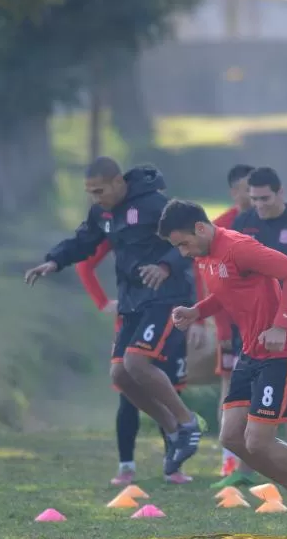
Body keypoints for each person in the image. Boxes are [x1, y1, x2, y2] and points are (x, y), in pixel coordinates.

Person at [160, 199, 287, 539]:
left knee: (259, 440)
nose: (183, 252)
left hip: (284, 349)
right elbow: (226, 292)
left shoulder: (238, 247)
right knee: (231, 436)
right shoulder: (205, 255)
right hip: (251, 350)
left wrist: (280, 324)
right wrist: (196, 312)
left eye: (183, 243)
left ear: (200, 229)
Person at [24, 157, 202, 477]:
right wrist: (53, 262)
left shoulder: (155, 205)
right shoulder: (101, 213)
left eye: (99, 190)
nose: (95, 197)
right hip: (133, 302)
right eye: (90, 192)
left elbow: (190, 243)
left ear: (119, 182)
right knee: (120, 375)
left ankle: (188, 423)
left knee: (137, 363)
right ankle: (173, 429)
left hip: (167, 298)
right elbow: (83, 242)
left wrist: (163, 267)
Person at [211, 167, 287, 488]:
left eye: (265, 199)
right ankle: (245, 471)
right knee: (245, 401)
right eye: (253, 199)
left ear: (280, 192)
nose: (259, 205)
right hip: (249, 327)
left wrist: (283, 325)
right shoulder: (244, 222)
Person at [75, 237, 204, 485]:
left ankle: (173, 465)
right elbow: (84, 263)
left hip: (169, 318)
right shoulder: (120, 226)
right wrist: (101, 301)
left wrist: (197, 318)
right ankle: (126, 467)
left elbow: (195, 268)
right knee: (127, 389)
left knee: (169, 389)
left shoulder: (170, 232)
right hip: (133, 321)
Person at [211, 164, 254, 478]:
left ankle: (252, 459)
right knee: (229, 387)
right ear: (233, 191)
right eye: (244, 187)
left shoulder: (262, 224)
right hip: (230, 321)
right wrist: (221, 327)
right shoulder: (220, 227)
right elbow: (210, 282)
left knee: (255, 387)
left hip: (257, 321)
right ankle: (228, 458)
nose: (250, 194)